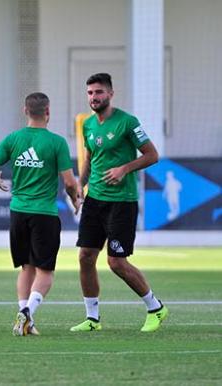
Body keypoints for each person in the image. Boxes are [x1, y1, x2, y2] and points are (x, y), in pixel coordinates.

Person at [70, 73, 168, 333]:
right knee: (85, 256)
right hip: (95, 200)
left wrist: (125, 168)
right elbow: (89, 158)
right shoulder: (88, 125)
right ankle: (92, 318)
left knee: (116, 262)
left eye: (99, 92)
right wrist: (81, 184)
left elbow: (152, 155)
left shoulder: (127, 122)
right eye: (90, 93)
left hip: (122, 202)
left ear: (111, 94)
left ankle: (155, 308)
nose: (94, 97)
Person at [0, 92, 80, 336]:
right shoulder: (56, 143)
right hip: (44, 213)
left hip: (18, 212)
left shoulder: (13, 139)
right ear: (48, 111)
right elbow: (68, 181)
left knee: (27, 268)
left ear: (25, 111)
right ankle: (27, 313)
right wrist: (75, 198)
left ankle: (24, 316)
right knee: (45, 272)